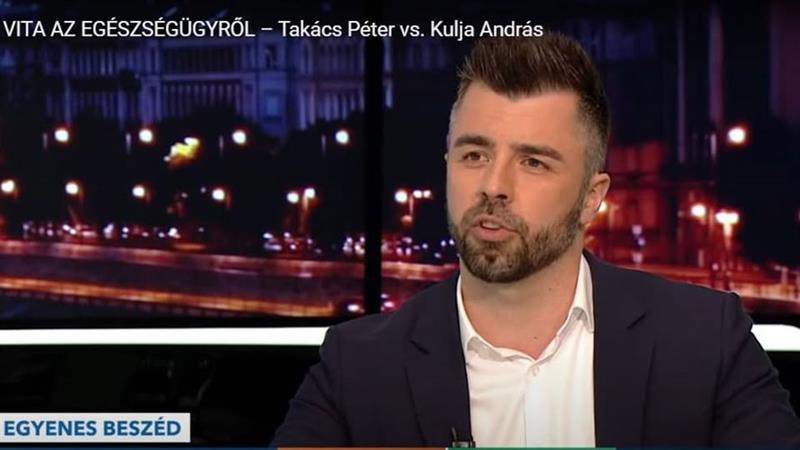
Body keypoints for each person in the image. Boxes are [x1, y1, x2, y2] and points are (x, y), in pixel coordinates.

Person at [272, 34, 800, 447]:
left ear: (591, 198)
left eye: (533, 162)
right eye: (474, 155)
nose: (493, 185)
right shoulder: (357, 368)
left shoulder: (709, 342)